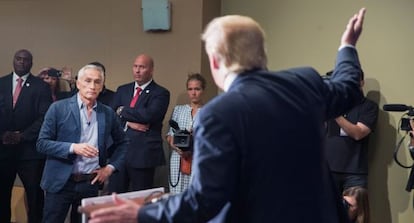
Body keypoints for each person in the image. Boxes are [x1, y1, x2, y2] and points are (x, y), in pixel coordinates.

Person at [89, 8, 367, 223]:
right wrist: (347, 47)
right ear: (262, 53)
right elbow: (350, 87)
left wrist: (142, 213)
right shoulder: (304, 82)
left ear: (214, 61)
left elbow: (205, 200)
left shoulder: (217, 114)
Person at [36, 64, 129, 223]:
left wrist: (109, 168)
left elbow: (124, 143)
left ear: (102, 86)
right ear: (78, 83)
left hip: (89, 183)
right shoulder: (58, 108)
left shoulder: (107, 113)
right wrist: (73, 148)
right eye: (88, 81)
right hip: (60, 183)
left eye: (97, 82)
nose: (92, 86)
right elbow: (42, 144)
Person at [0, 49, 52, 223]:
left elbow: (44, 117)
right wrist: (3, 135)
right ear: (13, 61)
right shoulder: (2, 83)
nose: (22, 62)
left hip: (30, 153)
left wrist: (22, 136)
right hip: (3, 149)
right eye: (18, 59)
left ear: (32, 63)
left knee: (35, 197)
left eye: (26, 60)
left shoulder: (41, 86)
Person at [108, 54, 170, 193]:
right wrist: (128, 123)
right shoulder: (122, 90)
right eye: (135, 66)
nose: (137, 70)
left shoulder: (160, 93)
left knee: (140, 199)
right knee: (114, 196)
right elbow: (111, 115)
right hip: (119, 154)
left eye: (142, 67)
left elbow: (150, 115)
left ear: (151, 70)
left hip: (143, 155)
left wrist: (122, 110)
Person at [325, 70, 378, 192]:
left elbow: (358, 134)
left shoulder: (368, 106)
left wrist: (336, 114)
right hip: (327, 169)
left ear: (361, 82)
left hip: (354, 172)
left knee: (356, 209)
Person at [166, 73, 206, 194]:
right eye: (190, 89)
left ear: (203, 90)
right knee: (176, 197)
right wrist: (177, 147)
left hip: (198, 160)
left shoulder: (209, 112)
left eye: (197, 89)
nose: (193, 93)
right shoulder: (178, 110)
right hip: (177, 160)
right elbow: (169, 135)